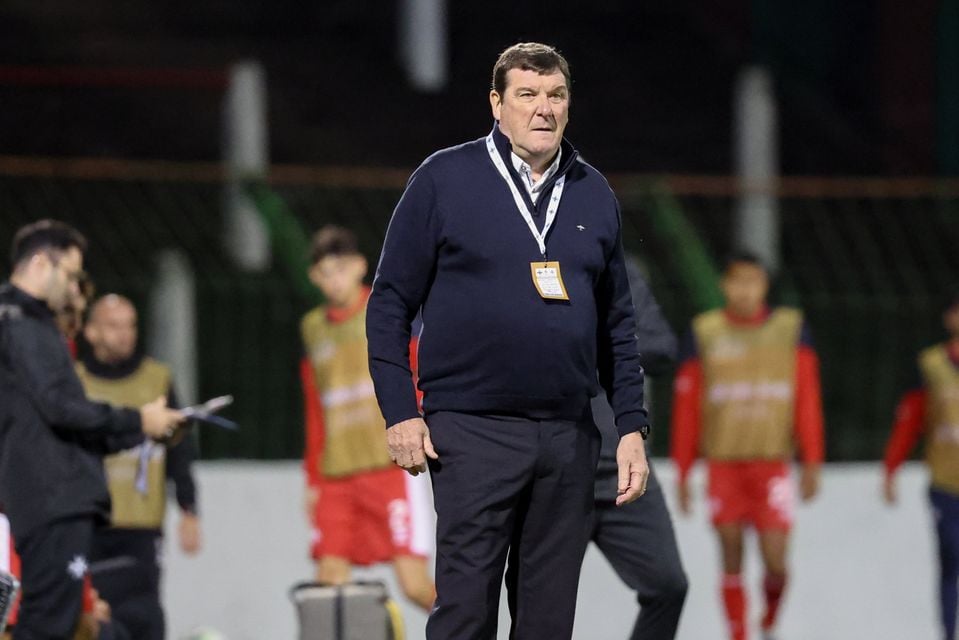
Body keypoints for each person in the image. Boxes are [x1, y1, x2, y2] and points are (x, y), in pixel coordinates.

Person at [366, 42, 650, 639]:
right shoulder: (444, 179)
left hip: (569, 437)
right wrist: (400, 412)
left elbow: (617, 324)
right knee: (466, 615)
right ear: (497, 104)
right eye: (527, 95)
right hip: (471, 430)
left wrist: (630, 425)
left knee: (547, 623)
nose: (542, 109)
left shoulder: (593, 192)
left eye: (555, 96)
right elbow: (389, 300)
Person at [0, 220, 182, 640]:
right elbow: (63, 408)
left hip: (48, 497)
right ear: (42, 262)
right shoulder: (22, 322)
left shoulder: (23, 322)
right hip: (50, 499)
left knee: (58, 623)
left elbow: (59, 418)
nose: (74, 288)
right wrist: (139, 420)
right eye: (71, 275)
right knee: (49, 626)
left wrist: (143, 430)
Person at [670, 252, 824, 640]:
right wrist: (684, 470)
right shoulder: (704, 332)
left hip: (772, 464)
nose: (744, 290)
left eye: (752, 281)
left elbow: (807, 399)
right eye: (737, 281)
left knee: (776, 561)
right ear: (725, 285)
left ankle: (769, 617)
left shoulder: (791, 329)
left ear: (764, 286)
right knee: (730, 551)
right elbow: (687, 408)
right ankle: (737, 633)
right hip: (723, 465)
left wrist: (812, 460)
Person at [300, 226, 434, 612]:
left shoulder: (385, 308)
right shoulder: (313, 328)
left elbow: (421, 368)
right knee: (329, 586)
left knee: (414, 586)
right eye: (325, 272)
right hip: (337, 475)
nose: (334, 279)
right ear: (314, 277)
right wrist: (312, 477)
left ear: (360, 266)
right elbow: (315, 405)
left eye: (341, 268)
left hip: (390, 467)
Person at [75, 294, 201, 640]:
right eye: (114, 326)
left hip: (142, 526)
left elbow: (179, 448)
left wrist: (189, 509)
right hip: (90, 523)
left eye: (130, 325)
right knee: (89, 615)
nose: (125, 334)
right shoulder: (75, 382)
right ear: (91, 332)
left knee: (142, 614)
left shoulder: (157, 378)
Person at [590, 257, 687, 640]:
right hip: (558, 471)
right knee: (542, 604)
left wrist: (591, 342)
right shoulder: (528, 261)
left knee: (668, 585)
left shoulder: (620, 270)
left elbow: (662, 345)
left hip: (623, 470)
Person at [882, 290, 959, 640]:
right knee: (951, 556)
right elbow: (910, 420)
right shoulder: (932, 364)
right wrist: (891, 468)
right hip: (946, 482)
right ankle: (946, 631)